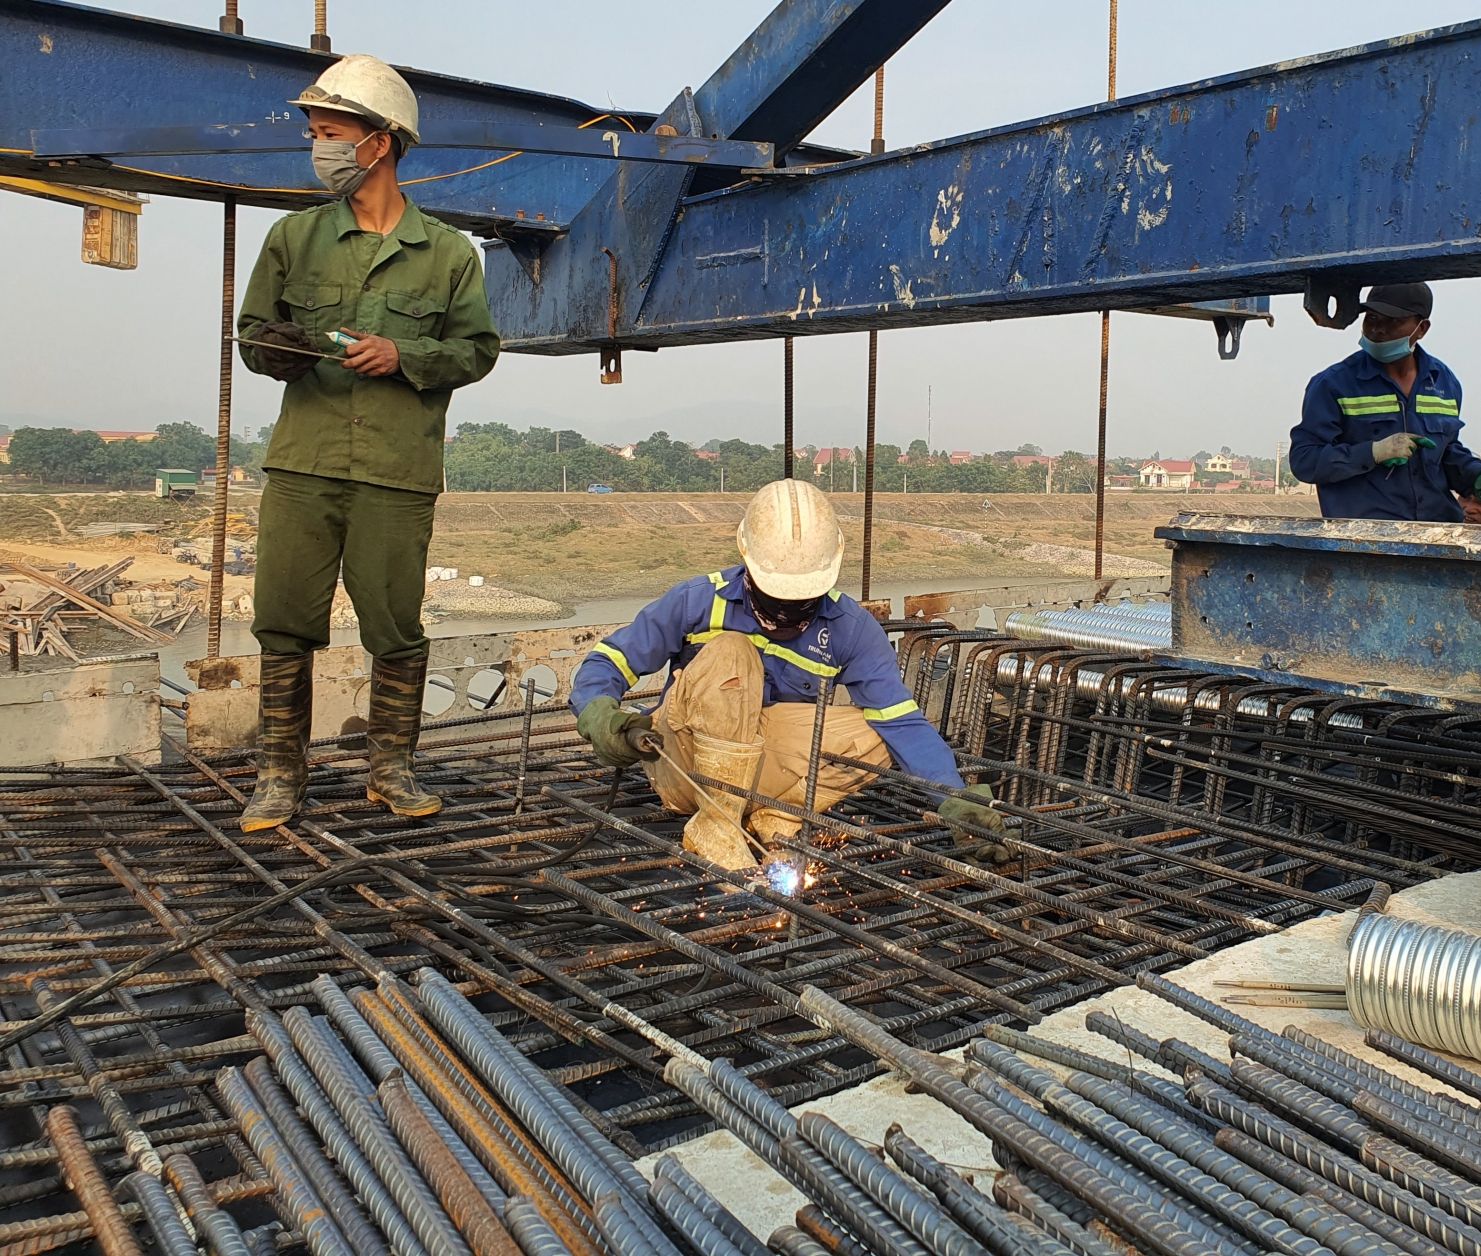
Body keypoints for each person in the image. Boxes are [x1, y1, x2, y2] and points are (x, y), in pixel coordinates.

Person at [235, 54, 500, 831]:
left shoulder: (450, 255)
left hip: (395, 471)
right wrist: (276, 348)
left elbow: (477, 352)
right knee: (283, 618)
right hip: (303, 466)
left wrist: (402, 356)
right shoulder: (292, 238)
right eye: (316, 132)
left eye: (329, 133)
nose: (318, 148)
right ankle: (280, 775)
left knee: (395, 622)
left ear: (378, 144)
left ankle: (392, 768)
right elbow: (253, 339)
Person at [570, 479, 1004, 871]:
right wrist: (599, 713)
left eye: (802, 597)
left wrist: (956, 800)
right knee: (732, 652)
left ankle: (774, 814)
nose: (787, 610)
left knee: (877, 734)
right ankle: (715, 822)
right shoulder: (697, 601)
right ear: (748, 561)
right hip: (684, 765)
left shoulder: (849, 628)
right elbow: (610, 660)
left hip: (761, 767)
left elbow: (903, 722)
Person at [1287, 282, 1481, 522]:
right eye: (1372, 317)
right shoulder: (1334, 384)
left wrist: (1475, 474)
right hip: (1365, 538)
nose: (1378, 329)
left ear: (1421, 328)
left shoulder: (1443, 383)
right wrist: (1372, 452)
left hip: (1436, 534)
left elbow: (1445, 452)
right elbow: (1305, 460)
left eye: (1393, 321)